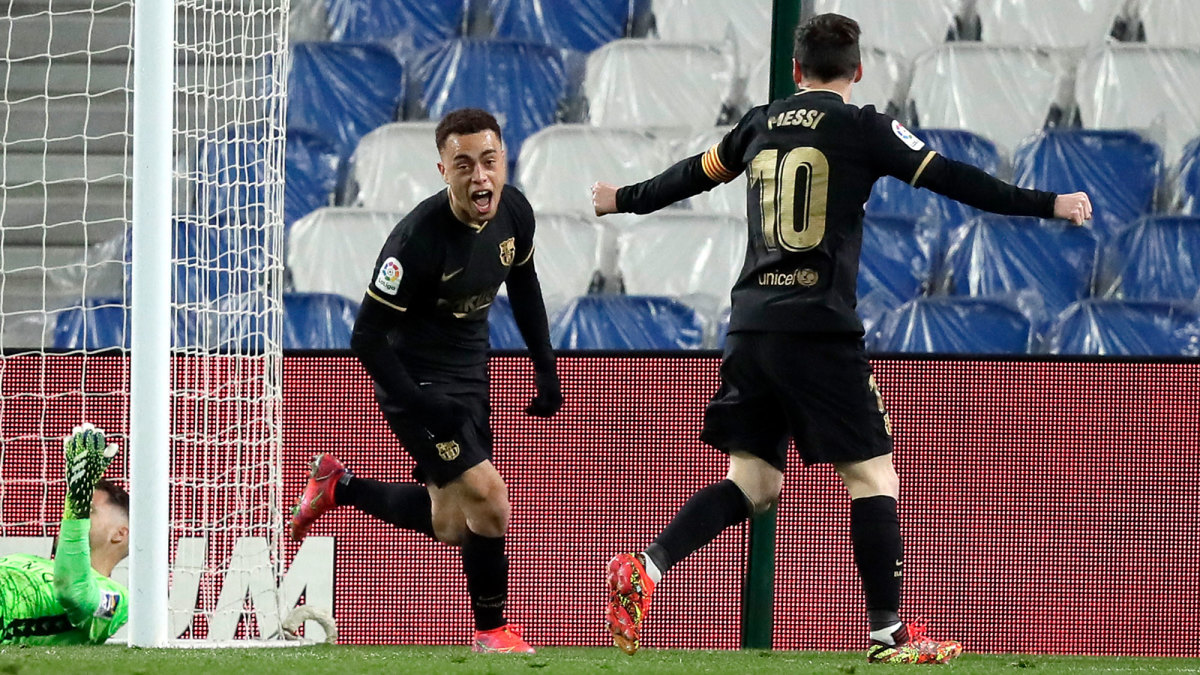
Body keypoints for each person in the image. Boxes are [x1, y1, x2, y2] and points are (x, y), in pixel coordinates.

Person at [591, 13, 1092, 664]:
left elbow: (691, 174)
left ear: (795, 70)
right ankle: (889, 636)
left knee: (755, 481)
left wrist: (619, 198)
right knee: (874, 475)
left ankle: (647, 566)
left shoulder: (759, 123)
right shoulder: (865, 128)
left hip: (749, 326)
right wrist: (1048, 202)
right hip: (818, 327)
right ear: (857, 71)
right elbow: (954, 178)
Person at [289, 108, 562, 655]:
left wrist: (546, 366)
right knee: (489, 499)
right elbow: (365, 337)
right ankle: (492, 632)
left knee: (452, 524)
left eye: (488, 161)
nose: (479, 176)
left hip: (469, 371)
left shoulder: (515, 213)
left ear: (504, 159)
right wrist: (419, 405)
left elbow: (525, 285)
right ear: (443, 170)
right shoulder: (415, 240)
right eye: (464, 165)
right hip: (412, 378)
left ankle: (339, 486)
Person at [0, 424, 129, 644]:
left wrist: (77, 505)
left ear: (119, 534)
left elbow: (75, 593)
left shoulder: (116, 598)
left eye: (88, 512)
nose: (69, 518)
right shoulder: (25, 560)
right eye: (72, 510)